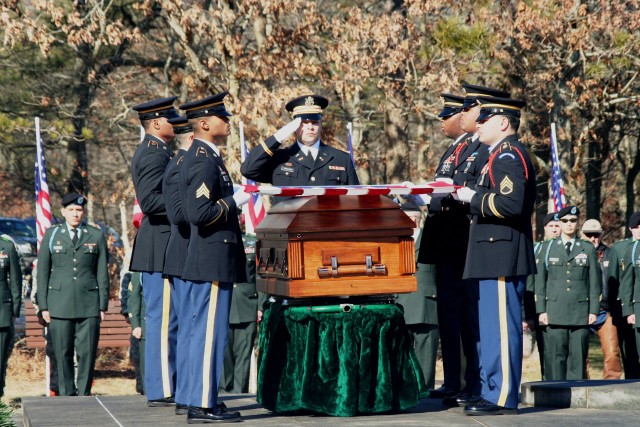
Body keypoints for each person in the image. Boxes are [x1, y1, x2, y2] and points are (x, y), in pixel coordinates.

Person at [418, 86, 511, 408]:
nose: (448, 120)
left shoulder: (484, 149)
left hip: (463, 242)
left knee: (469, 317)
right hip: (446, 242)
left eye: (470, 110)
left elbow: (474, 191)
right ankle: (455, 381)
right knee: (450, 316)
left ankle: (472, 382)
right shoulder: (457, 149)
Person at [454, 96, 535, 415]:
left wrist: (473, 197)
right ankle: (491, 388)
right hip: (491, 251)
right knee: (489, 328)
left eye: (485, 118)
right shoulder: (496, 155)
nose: (479, 123)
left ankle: (501, 395)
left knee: (501, 327)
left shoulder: (508, 155)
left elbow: (511, 205)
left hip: (502, 251)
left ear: (503, 122)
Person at [179, 92, 249, 423]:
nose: (228, 122)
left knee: (203, 333)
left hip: (209, 258)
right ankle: (203, 403)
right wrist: (235, 202)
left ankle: (201, 398)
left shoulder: (208, 156)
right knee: (209, 334)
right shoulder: (203, 159)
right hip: (211, 259)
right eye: (223, 118)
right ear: (205, 124)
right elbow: (199, 212)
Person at [130, 96, 179, 406]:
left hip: (165, 244)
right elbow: (149, 202)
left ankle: (168, 384)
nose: (176, 121)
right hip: (158, 246)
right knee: (161, 320)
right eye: (171, 117)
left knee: (170, 319)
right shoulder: (152, 155)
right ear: (157, 123)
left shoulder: (162, 152)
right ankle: (161, 388)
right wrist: (186, 206)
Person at [37, 193, 109, 396]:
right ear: (63, 212)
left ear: (83, 212)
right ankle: (67, 394)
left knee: (87, 353)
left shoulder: (95, 235)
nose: (75, 214)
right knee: (62, 353)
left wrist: (102, 305)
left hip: (89, 303)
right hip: (59, 304)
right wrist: (43, 305)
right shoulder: (52, 235)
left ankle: (84, 394)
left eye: (79, 210)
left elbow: (102, 272)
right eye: (71, 210)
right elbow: (42, 272)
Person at [535, 206, 600, 381]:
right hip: (554, 310)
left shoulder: (587, 248)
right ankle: (556, 398)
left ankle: (576, 399)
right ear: (560, 223)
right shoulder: (547, 248)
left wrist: (593, 310)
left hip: (580, 311)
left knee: (578, 359)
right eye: (564, 221)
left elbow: (594, 282)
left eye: (573, 220)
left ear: (578, 223)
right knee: (556, 358)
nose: (569, 224)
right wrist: (541, 310)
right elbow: (540, 282)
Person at [240, 94, 359, 188]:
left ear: (321, 124)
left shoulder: (341, 159)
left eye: (314, 122)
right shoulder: (280, 159)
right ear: (294, 126)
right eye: (304, 123)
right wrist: (278, 137)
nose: (310, 127)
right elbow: (248, 170)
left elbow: (356, 199)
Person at [162, 115, 195, 415]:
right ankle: (186, 393)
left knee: (188, 328)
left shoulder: (183, 163)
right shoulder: (180, 166)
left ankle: (188, 392)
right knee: (188, 329)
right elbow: (180, 214)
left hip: (187, 257)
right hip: (184, 256)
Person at [396, 203, 439, 390]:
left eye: (415, 217)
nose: (412, 221)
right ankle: (404, 388)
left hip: (426, 302)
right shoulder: (395, 241)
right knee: (400, 352)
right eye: (407, 217)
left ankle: (424, 389)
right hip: (400, 302)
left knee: (426, 352)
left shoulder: (432, 239)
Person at [581, 218, 623, 379]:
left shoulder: (611, 254)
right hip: (583, 310)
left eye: (596, 235)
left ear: (602, 235)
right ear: (582, 235)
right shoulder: (577, 252)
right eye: (589, 234)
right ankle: (582, 385)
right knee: (580, 353)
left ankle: (612, 387)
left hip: (606, 310)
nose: (592, 238)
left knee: (612, 351)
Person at [221, 232, 259, 394]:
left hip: (247, 305)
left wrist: (261, 306)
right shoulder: (215, 241)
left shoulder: (251, 243)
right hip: (224, 304)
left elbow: (260, 274)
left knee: (243, 357)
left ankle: (240, 394)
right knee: (224, 356)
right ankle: (223, 393)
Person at [523, 211, 559, 380]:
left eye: (557, 226)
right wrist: (528, 315)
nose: (554, 229)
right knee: (546, 354)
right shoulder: (536, 249)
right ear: (544, 228)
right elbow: (529, 284)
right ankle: (548, 384)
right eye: (551, 226)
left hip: (565, 309)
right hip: (541, 310)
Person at [614, 212, 640, 378]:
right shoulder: (631, 250)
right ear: (630, 229)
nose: (639, 230)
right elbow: (626, 282)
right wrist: (629, 311)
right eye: (636, 227)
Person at [0, 235, 22, 397]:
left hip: (2, 310)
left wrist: (14, 310)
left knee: (0, 358)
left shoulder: (6, 246)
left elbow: (15, 280)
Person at [127, 271, 146, 395]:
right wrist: (135, 324)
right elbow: (134, 296)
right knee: (146, 368)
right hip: (145, 326)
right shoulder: (140, 272)